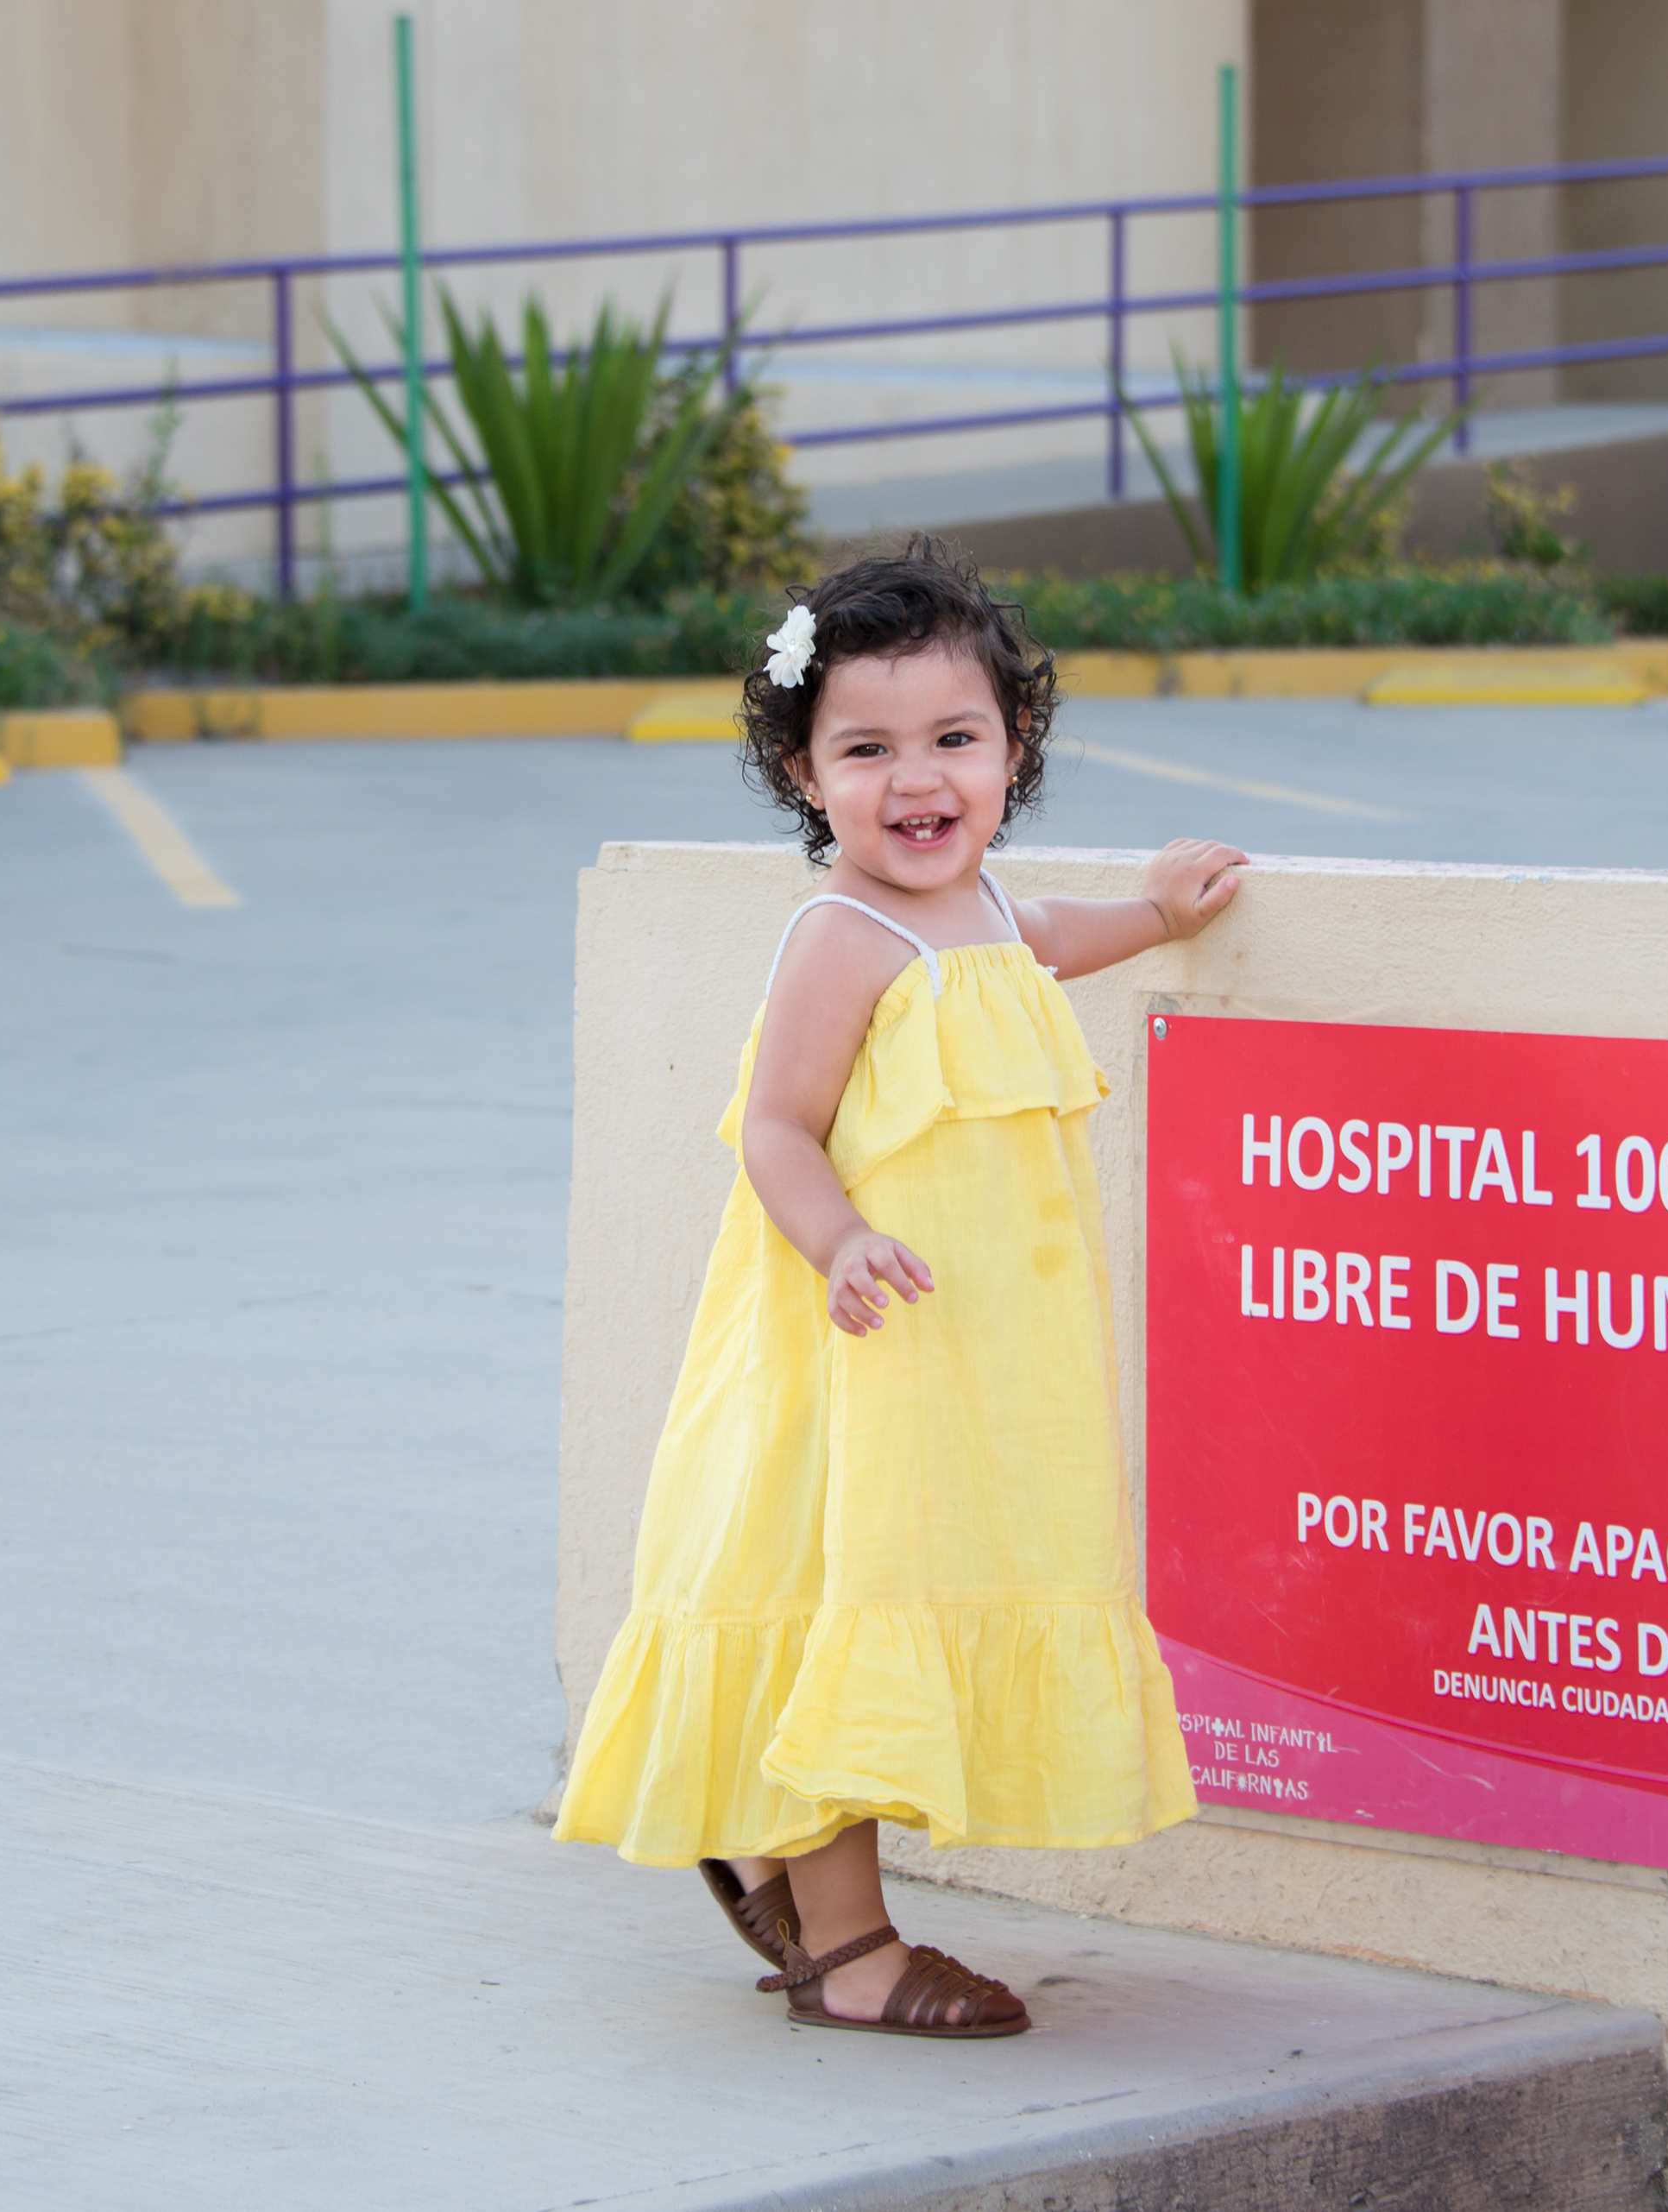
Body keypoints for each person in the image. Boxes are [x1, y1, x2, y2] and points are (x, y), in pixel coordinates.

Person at [552, 542, 1240, 2039]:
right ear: (805, 775)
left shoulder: (984, 911)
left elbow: (1052, 941)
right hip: (858, 1342)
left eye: (954, 738)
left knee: (906, 1580)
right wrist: (842, 1242)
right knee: (845, 1596)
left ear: (1014, 749)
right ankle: (850, 1948)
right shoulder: (840, 938)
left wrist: (1160, 917)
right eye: (866, 749)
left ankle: (766, 1849)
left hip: (970, 1354)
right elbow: (777, 1129)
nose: (916, 779)